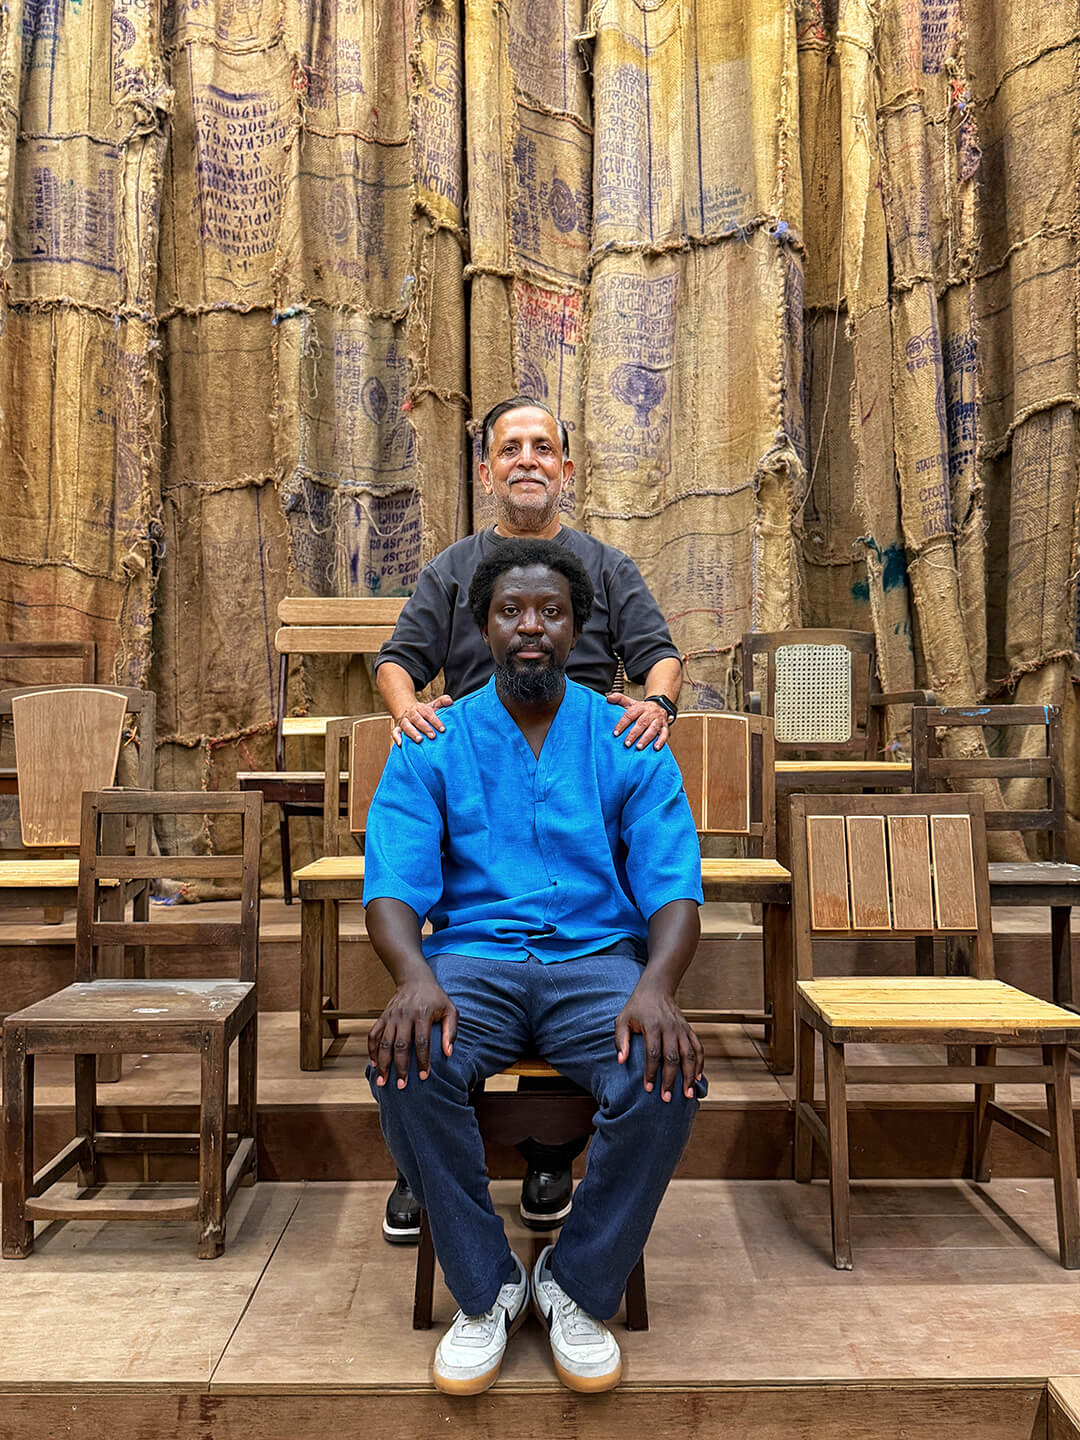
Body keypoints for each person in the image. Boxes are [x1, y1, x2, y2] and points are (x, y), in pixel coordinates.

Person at [363, 541, 704, 1395]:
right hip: (472, 962)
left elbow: (673, 886)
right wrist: (414, 977)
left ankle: (575, 1284)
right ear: (483, 628)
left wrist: (656, 988)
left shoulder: (628, 737)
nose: (530, 627)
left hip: (595, 963)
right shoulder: (434, 739)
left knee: (665, 1072)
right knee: (405, 1057)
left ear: (576, 630)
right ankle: (486, 1290)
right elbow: (392, 883)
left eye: (551, 612)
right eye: (510, 611)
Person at [374, 396, 683, 1240]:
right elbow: (398, 662)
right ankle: (430, 1169)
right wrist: (410, 719)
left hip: (582, 773)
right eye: (510, 448)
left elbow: (659, 657)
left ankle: (553, 1157)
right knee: (428, 1002)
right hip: (476, 777)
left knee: (599, 982)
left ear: (565, 468)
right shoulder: (451, 570)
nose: (527, 460)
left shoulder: (607, 567)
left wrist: (656, 709)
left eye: (543, 447)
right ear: (487, 471)